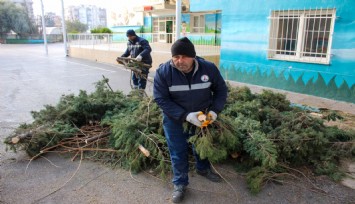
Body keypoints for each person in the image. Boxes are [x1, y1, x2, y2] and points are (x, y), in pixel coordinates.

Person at [153, 37, 228, 203]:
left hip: (203, 117)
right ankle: (180, 183)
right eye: (176, 57)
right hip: (174, 119)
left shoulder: (208, 69)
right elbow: (161, 99)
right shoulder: (163, 72)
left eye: (184, 56)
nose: (180, 61)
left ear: (193, 56)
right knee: (177, 151)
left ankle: (203, 169)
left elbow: (221, 90)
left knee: (201, 145)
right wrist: (186, 116)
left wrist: (214, 112)